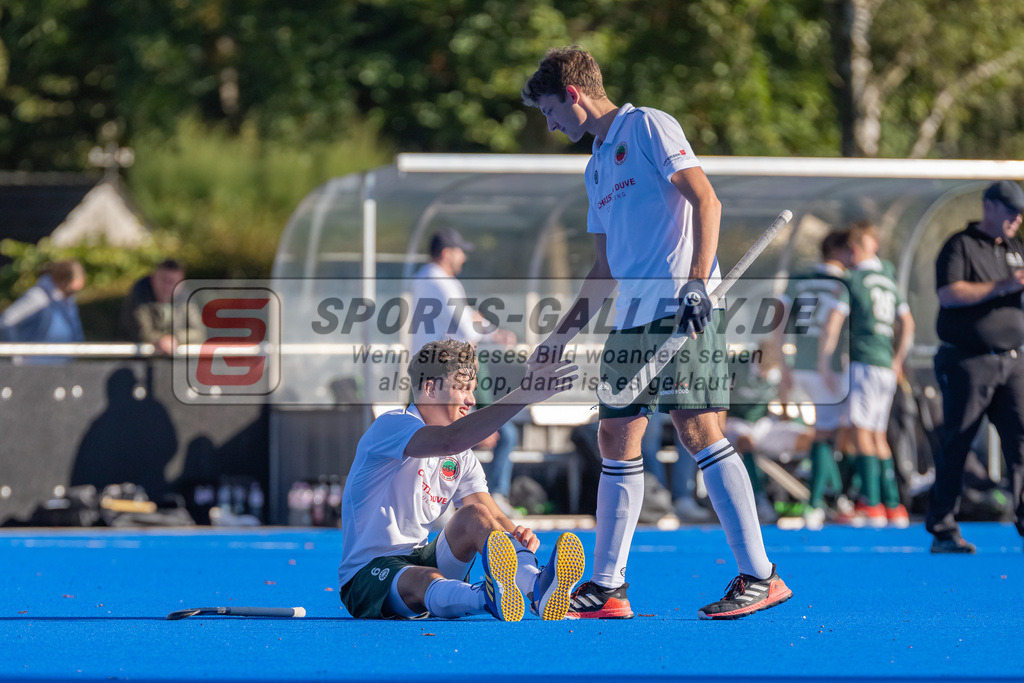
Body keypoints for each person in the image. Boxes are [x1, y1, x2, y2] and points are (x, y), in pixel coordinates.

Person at [521, 46, 792, 620]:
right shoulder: (595, 165)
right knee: (615, 438)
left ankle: (760, 575)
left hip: (679, 307)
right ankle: (608, 587)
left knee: (697, 430)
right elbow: (604, 270)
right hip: (629, 321)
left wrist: (697, 283)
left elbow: (705, 198)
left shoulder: (646, 126)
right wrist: (562, 335)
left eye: (548, 112)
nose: (548, 125)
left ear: (573, 95)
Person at [337, 338, 584, 621]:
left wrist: (517, 537)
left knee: (475, 515)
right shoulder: (392, 425)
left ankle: (536, 584)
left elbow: (487, 510)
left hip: (422, 556)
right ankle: (485, 598)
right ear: (430, 388)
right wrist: (523, 395)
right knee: (426, 577)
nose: (471, 400)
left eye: (472, 390)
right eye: (463, 388)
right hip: (366, 575)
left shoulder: (461, 455)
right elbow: (448, 441)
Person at [927, 180, 1024, 553]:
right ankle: (943, 527)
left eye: (1020, 212)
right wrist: (1002, 286)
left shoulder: (1017, 248)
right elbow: (949, 294)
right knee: (958, 441)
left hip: (1013, 362)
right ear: (990, 207)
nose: (1017, 218)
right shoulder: (960, 246)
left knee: (1020, 441)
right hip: (968, 361)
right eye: (1011, 209)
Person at [409, 229, 518, 515]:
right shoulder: (444, 282)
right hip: (448, 377)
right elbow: (467, 330)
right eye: (459, 250)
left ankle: (439, 503)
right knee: (501, 434)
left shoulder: (423, 278)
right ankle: (494, 499)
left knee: (431, 439)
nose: (464, 256)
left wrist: (495, 332)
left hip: (425, 378)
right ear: (446, 253)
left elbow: (466, 314)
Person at [832, 223, 915, 528]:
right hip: (885, 364)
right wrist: (897, 358)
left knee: (861, 431)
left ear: (854, 250)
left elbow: (834, 323)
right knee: (879, 435)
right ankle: (894, 505)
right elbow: (908, 323)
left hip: (864, 360)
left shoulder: (853, 279)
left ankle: (873, 503)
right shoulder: (889, 280)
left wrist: (828, 358)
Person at [776, 231, 853, 530]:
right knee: (830, 434)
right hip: (828, 367)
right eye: (847, 251)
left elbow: (778, 321)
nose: (851, 258)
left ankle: (835, 497)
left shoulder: (798, 278)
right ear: (834, 250)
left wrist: (784, 364)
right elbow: (832, 328)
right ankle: (817, 503)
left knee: (828, 432)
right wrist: (826, 365)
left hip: (799, 366)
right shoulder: (843, 284)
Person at [0, 259, 86, 363]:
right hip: (33, 369)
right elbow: (6, 320)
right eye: (71, 290)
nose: (72, 294)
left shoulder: (67, 301)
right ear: (62, 280)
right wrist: (15, 355)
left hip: (60, 369)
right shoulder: (39, 297)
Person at [118, 259, 199, 355]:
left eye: (173, 281)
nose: (168, 286)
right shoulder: (140, 295)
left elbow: (199, 333)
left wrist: (175, 339)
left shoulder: (185, 298)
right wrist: (162, 340)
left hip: (176, 361)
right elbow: (142, 332)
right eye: (164, 280)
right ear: (153, 279)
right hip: (136, 360)